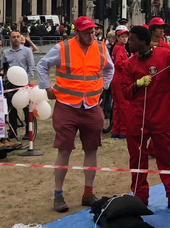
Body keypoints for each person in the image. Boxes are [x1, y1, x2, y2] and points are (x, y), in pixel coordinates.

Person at [37, 16, 114, 213]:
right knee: (64, 150)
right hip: (67, 106)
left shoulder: (101, 47)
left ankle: (88, 193)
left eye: (93, 31)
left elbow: (109, 69)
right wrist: (47, 88)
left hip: (91, 106)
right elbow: (42, 65)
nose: (91, 35)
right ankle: (58, 194)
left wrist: (102, 87)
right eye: (87, 32)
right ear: (77, 32)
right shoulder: (63, 48)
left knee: (92, 149)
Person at [121, 25, 170, 209]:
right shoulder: (130, 64)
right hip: (137, 118)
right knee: (137, 158)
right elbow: (125, 92)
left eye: (132, 40)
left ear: (142, 41)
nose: (128, 43)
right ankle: (140, 197)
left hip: (161, 117)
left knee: (167, 157)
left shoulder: (165, 55)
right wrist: (137, 84)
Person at [3, 29, 37, 140]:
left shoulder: (27, 51)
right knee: (11, 108)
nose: (16, 39)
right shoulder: (6, 53)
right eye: (13, 37)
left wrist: (26, 82)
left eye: (18, 36)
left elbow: (31, 68)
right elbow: (4, 68)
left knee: (26, 109)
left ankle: (29, 131)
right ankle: (13, 131)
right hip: (10, 84)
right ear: (10, 39)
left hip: (23, 84)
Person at [110, 25, 130, 139]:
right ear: (118, 38)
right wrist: (129, 62)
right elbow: (119, 63)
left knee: (117, 106)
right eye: (122, 37)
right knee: (123, 106)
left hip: (116, 78)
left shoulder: (117, 48)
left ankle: (115, 130)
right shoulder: (120, 49)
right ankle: (123, 130)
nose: (124, 39)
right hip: (120, 79)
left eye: (126, 37)